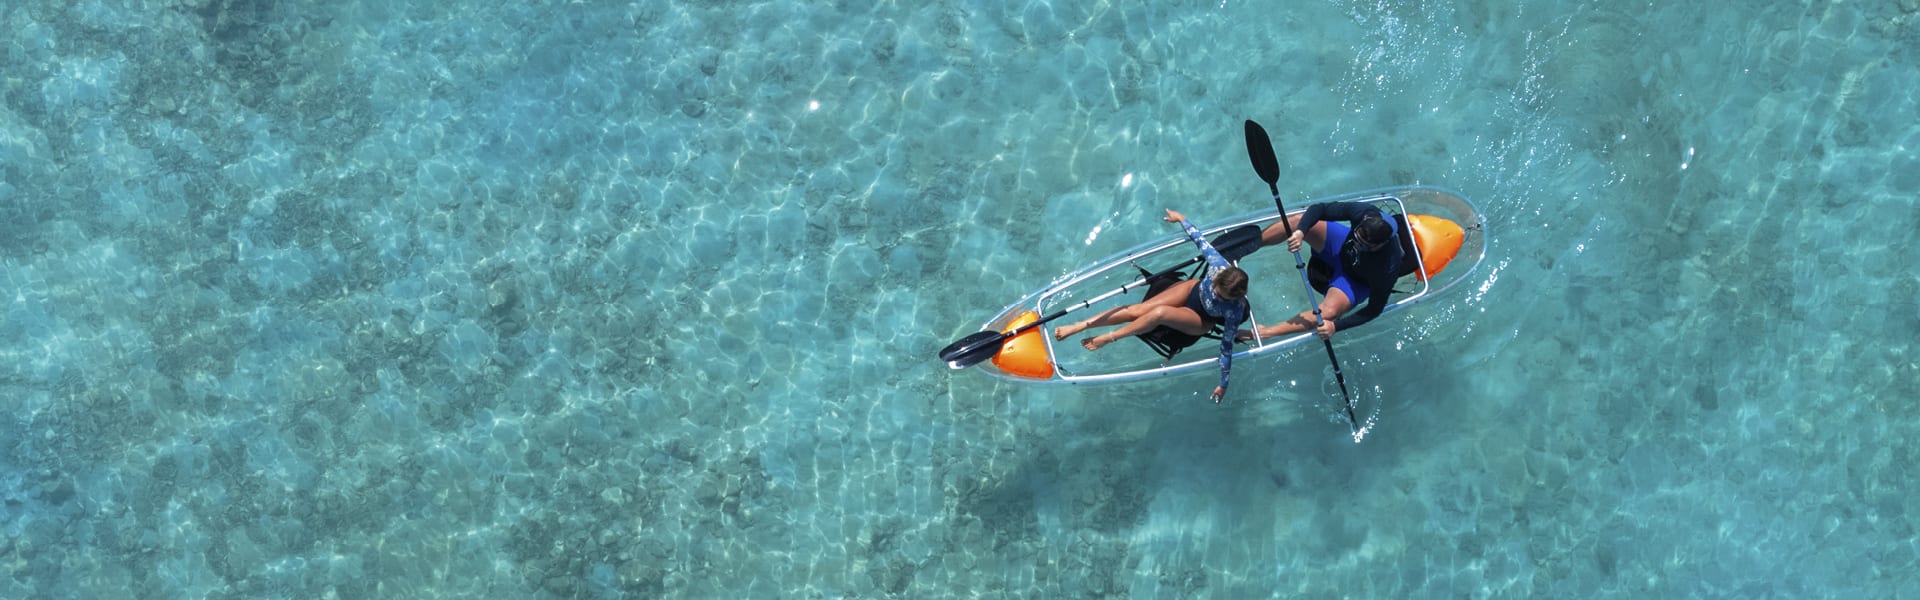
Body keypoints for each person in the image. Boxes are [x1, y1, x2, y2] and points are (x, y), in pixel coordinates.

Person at [1053, 209, 1250, 402]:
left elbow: (1226, 348)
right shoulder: (1217, 264)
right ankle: (1081, 325)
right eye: (1215, 287)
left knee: (1159, 314)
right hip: (1192, 290)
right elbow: (1199, 238)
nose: (1215, 294)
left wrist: (1223, 384)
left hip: (1201, 319)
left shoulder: (1234, 310)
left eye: (1221, 296)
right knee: (1137, 310)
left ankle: (1109, 337)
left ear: (1233, 298)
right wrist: (1181, 218)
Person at [1242, 201, 1403, 341]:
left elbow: (1373, 310)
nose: (1356, 244)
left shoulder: (1388, 267)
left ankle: (1264, 332)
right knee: (1299, 221)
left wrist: (1335, 326)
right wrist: (1301, 232)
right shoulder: (1364, 212)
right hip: (1339, 246)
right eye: (1356, 238)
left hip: (1354, 281)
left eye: (1363, 245)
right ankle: (1244, 248)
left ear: (1380, 245)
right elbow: (1320, 209)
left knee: (1328, 312)